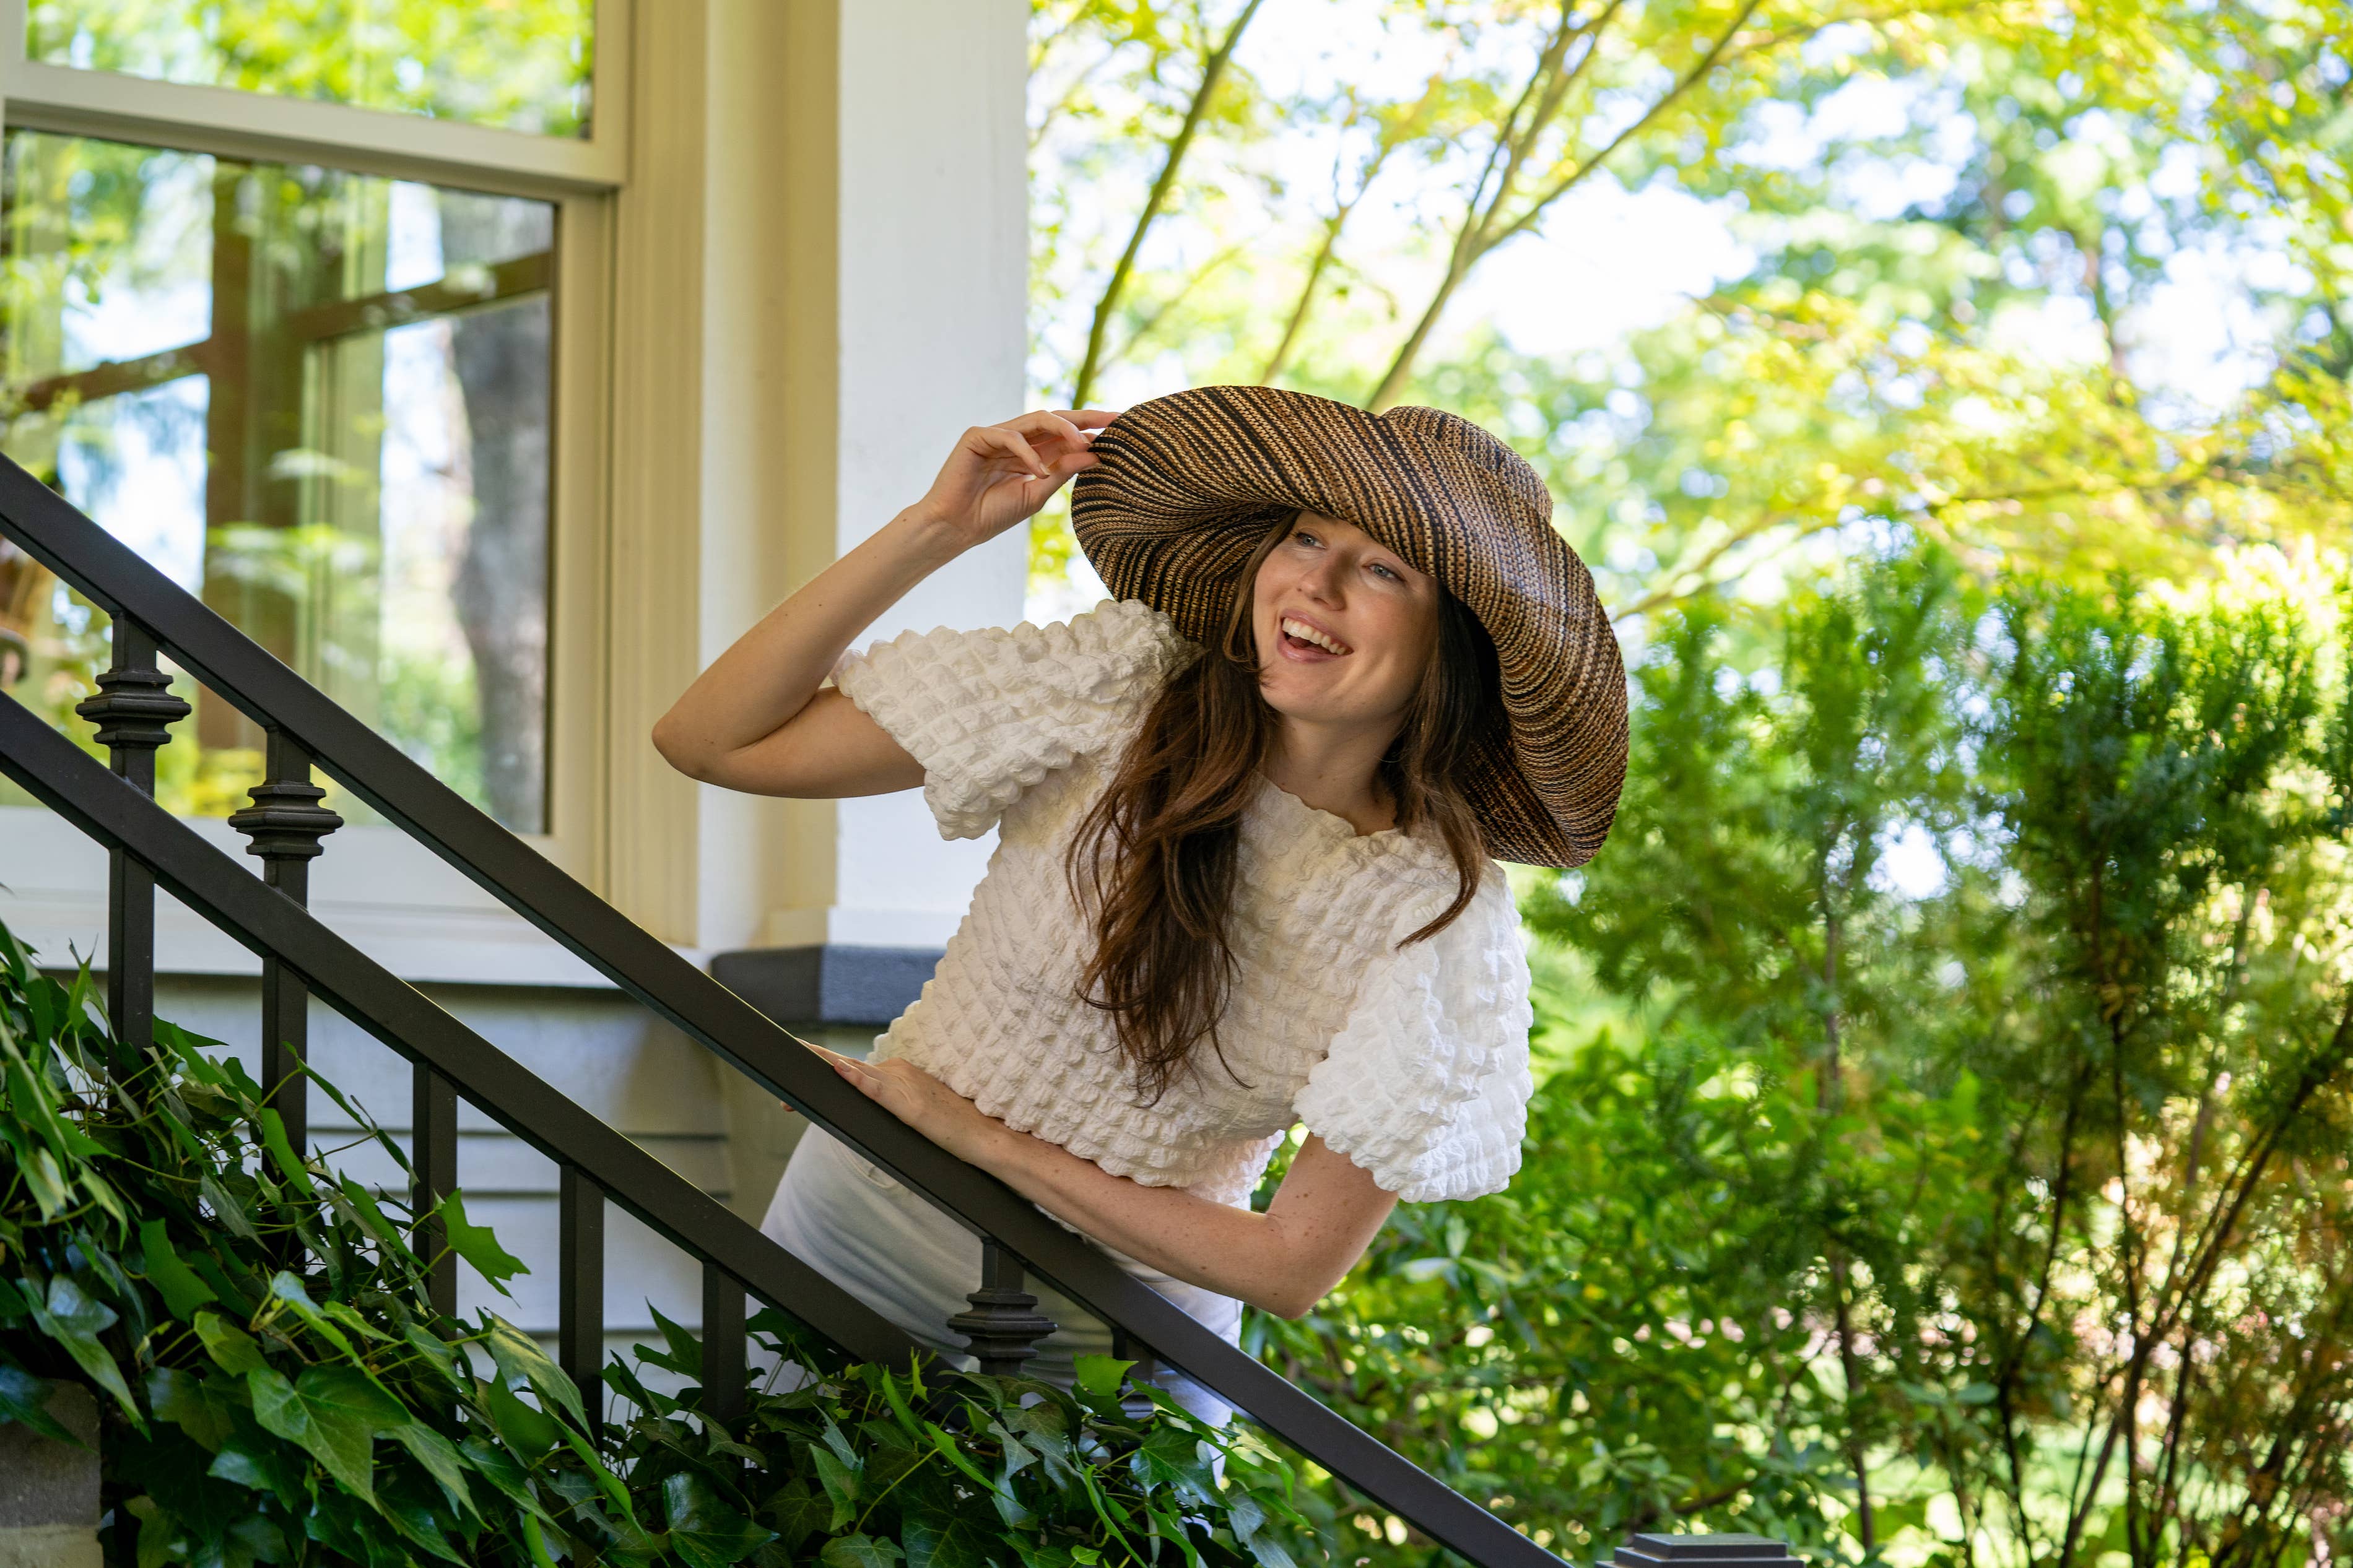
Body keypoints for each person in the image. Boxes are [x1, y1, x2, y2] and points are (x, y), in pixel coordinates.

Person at [651, 385, 1627, 1421]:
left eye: (1385, 569)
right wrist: (937, 527)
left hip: (1127, 1359)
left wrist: (983, 1142)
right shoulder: (1118, 686)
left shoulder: (1433, 908)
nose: (1318, 581)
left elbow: (1293, 1265)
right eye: (1307, 537)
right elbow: (710, 740)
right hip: (856, 1247)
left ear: (1452, 644)